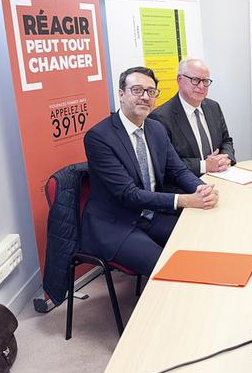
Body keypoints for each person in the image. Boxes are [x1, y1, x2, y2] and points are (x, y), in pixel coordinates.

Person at [82, 67, 218, 277]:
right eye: (137, 90)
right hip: (116, 224)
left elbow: (178, 170)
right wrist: (186, 200)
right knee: (169, 269)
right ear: (121, 94)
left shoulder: (156, 129)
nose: (145, 97)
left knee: (203, 238)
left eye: (151, 91)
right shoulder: (99, 137)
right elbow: (129, 194)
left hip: (150, 215)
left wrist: (202, 189)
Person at [150, 58, 235, 177]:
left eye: (205, 81)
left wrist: (226, 158)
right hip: (186, 187)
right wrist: (205, 165)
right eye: (195, 80)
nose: (201, 86)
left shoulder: (213, 107)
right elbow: (166, 162)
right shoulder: (160, 117)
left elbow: (226, 141)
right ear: (179, 80)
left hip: (221, 176)